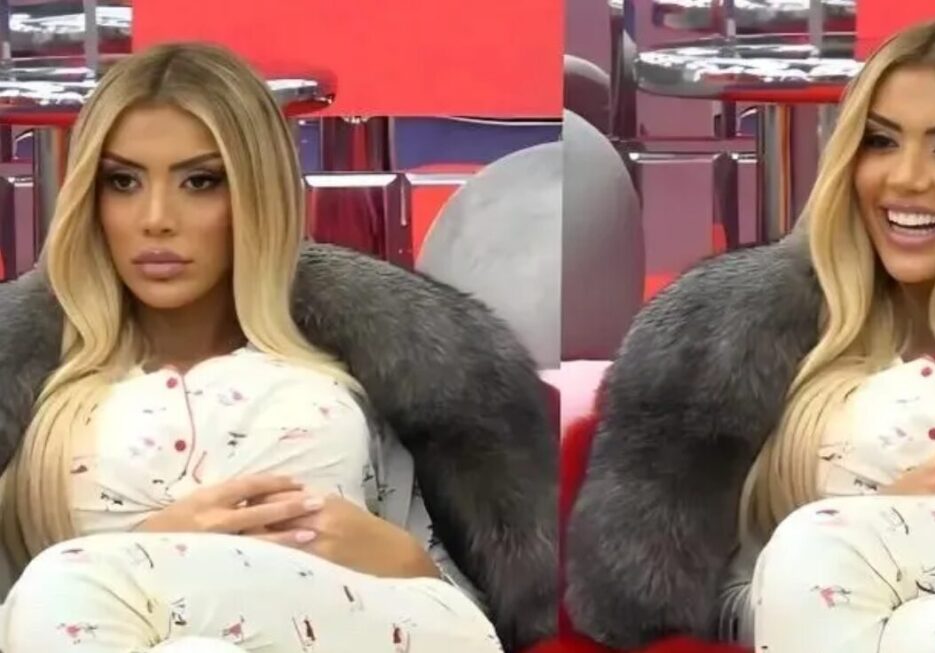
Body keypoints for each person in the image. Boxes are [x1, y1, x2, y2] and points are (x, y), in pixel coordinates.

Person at [565, 18, 935, 653]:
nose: (906, 178)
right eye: (880, 141)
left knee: (830, 550)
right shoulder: (760, 351)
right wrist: (891, 522)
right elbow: (729, 609)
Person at [0, 43, 556, 652]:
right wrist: (154, 548)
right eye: (123, 181)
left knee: (67, 586)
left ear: (256, 191)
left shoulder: (349, 377)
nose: (156, 218)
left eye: (200, 181)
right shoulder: (41, 404)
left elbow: (467, 626)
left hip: (386, 623)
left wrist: (400, 558)